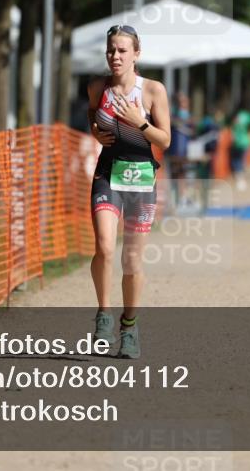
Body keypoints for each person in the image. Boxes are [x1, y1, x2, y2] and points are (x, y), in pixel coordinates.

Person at [87, 24, 171, 359]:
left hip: (141, 178)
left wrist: (140, 122)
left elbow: (165, 139)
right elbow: (93, 116)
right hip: (108, 173)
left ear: (137, 53)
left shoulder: (152, 90)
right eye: (111, 50)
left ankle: (130, 326)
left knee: (132, 260)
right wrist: (95, 131)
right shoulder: (97, 87)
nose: (115, 56)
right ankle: (104, 314)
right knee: (105, 247)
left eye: (122, 50)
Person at [229, 106, 250, 191]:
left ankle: (240, 178)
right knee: (240, 160)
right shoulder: (246, 116)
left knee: (238, 160)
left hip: (239, 143)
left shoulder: (237, 118)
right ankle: (240, 178)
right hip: (244, 142)